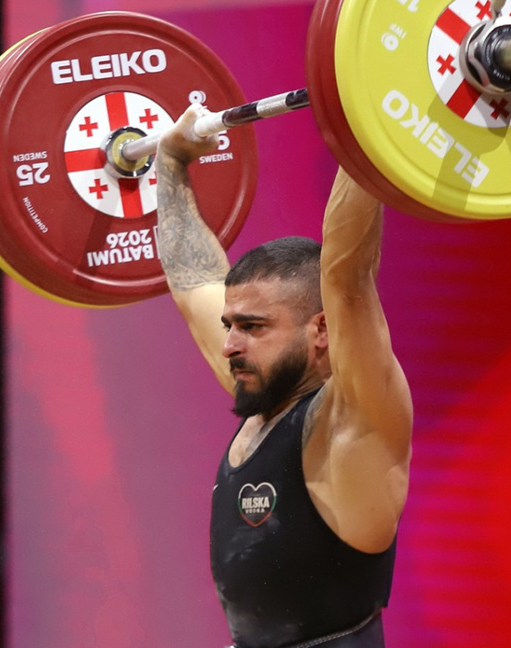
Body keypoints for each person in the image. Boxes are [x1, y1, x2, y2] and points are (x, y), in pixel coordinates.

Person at [156, 105, 414, 648]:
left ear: (321, 331)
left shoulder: (349, 423)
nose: (229, 345)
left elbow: (346, 275)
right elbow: (192, 276)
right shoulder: (263, 392)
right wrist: (172, 162)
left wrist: (370, 117)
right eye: (230, 325)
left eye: (252, 327)